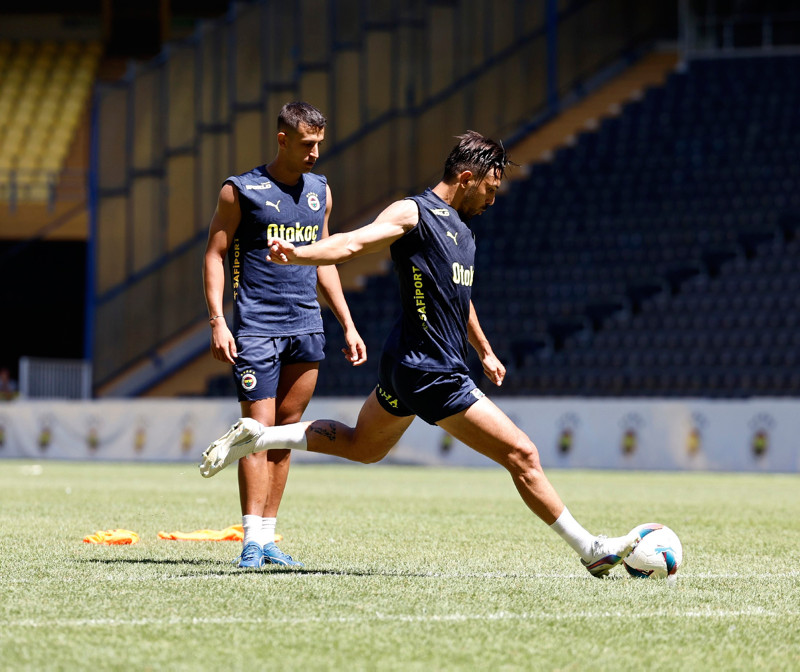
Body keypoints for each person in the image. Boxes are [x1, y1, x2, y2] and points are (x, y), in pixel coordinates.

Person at [200, 130, 651, 577]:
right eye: (491, 189)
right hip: (431, 371)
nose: (493, 200)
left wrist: (485, 350)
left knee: (362, 446)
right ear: (468, 177)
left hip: (407, 369)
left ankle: (259, 437)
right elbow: (355, 242)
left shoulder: (464, 232)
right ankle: (590, 548)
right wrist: (299, 255)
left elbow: (460, 297)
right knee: (523, 454)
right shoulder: (413, 212)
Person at [202, 101, 367, 569]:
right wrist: (218, 320)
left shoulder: (321, 192)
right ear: (283, 139)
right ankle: (250, 540)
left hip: (306, 326)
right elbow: (214, 253)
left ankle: (269, 539)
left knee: (285, 435)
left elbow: (324, 260)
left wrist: (347, 322)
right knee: (256, 431)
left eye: (319, 143)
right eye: (307, 143)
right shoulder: (241, 190)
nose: (315, 152)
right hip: (257, 327)